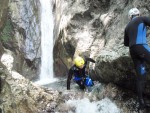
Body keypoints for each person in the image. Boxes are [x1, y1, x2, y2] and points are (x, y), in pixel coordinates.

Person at [124, 8, 150, 110]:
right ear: (138, 14)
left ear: (130, 17)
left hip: (133, 50)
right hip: (141, 46)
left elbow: (126, 43)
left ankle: (141, 103)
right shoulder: (142, 18)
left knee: (141, 77)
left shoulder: (127, 27)